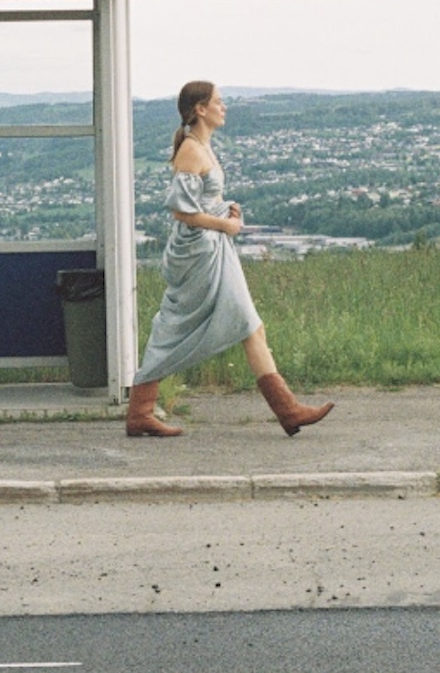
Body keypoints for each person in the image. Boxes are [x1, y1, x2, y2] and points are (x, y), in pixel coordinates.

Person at [127, 81, 334, 437]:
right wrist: (225, 224)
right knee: (188, 326)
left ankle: (288, 411)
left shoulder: (203, 147)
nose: (225, 107)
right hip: (200, 253)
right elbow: (183, 213)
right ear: (200, 109)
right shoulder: (192, 151)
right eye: (219, 102)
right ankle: (287, 411)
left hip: (212, 248)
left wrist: (226, 210)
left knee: (247, 326)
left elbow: (201, 203)